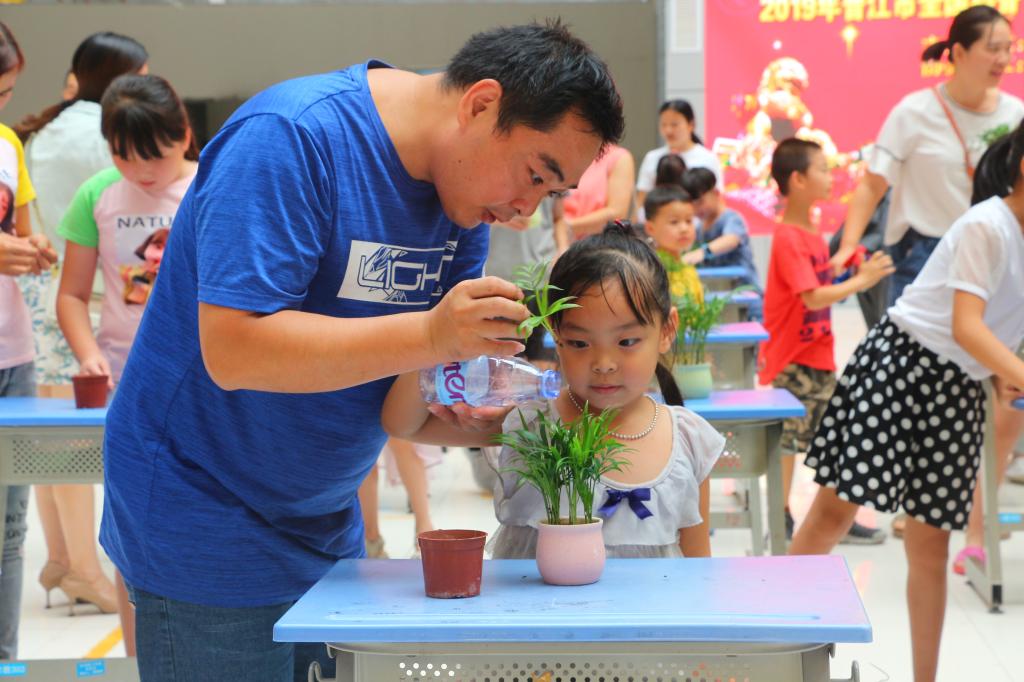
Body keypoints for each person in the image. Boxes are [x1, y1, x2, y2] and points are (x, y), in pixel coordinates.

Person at [99, 21, 624, 681]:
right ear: (481, 104)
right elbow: (234, 350)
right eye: (534, 175)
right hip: (204, 507)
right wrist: (432, 335)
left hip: (323, 517)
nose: (524, 210)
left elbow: (403, 384)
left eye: (550, 195)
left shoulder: (461, 208)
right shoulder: (293, 138)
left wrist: (477, 411)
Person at [790, 122, 1024, 682]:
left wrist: (1004, 377)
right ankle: (775, 645)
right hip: (902, 365)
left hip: (960, 388)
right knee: (833, 512)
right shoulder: (987, 224)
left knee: (929, 544)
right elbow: (967, 326)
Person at [383, 222, 723, 559]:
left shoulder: (688, 442)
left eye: (626, 341)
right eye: (578, 342)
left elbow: (696, 567)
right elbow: (403, 425)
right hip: (534, 614)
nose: (603, 363)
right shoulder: (530, 423)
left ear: (666, 331)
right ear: (553, 336)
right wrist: (437, 344)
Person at [831, 5, 1024, 542]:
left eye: (1010, 48)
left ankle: (975, 518)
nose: (1004, 59)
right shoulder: (913, 111)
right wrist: (849, 242)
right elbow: (872, 184)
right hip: (925, 260)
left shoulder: (1014, 113)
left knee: (999, 393)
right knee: (924, 386)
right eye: (993, 47)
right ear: (957, 52)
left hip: (1004, 258)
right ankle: (913, 505)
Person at [56, 75, 197, 652]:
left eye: (155, 156)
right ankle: (140, 654)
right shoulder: (98, 195)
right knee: (131, 522)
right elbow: (71, 294)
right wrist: (90, 356)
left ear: (184, 135)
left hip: (204, 381)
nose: (140, 171)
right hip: (125, 383)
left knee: (196, 519)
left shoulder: (212, 184)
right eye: (122, 155)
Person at [758, 138, 894, 544]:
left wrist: (844, 265)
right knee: (787, 443)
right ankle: (780, 518)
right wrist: (862, 280)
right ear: (798, 179)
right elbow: (812, 296)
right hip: (792, 357)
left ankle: (833, 515)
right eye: (822, 168)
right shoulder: (787, 237)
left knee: (832, 442)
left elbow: (819, 280)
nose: (830, 176)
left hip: (818, 355)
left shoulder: (811, 232)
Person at [0, 20, 58, 661]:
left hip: (11, 352)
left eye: (8, 92)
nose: (3, 106)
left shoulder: (8, 144)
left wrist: (32, 248)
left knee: (8, 532)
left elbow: (17, 233)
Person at [681, 167, 762, 319]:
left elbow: (731, 239)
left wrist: (702, 252)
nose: (696, 209)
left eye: (700, 202)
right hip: (722, 300)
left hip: (746, 299)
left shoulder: (731, 218)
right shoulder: (699, 229)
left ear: (716, 193)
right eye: (692, 204)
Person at [636, 99, 722, 214]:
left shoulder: (708, 158)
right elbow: (641, 204)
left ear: (691, 125)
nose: (668, 130)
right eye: (663, 125)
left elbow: (717, 203)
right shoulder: (652, 158)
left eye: (674, 124)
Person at [557, 143, 634, 242]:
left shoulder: (618, 157)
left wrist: (565, 227)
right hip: (548, 243)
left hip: (594, 245)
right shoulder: (561, 151)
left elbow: (617, 213)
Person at [642, 186, 702, 304]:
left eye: (689, 221)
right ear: (650, 228)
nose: (684, 228)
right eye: (674, 222)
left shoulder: (686, 265)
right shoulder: (651, 269)